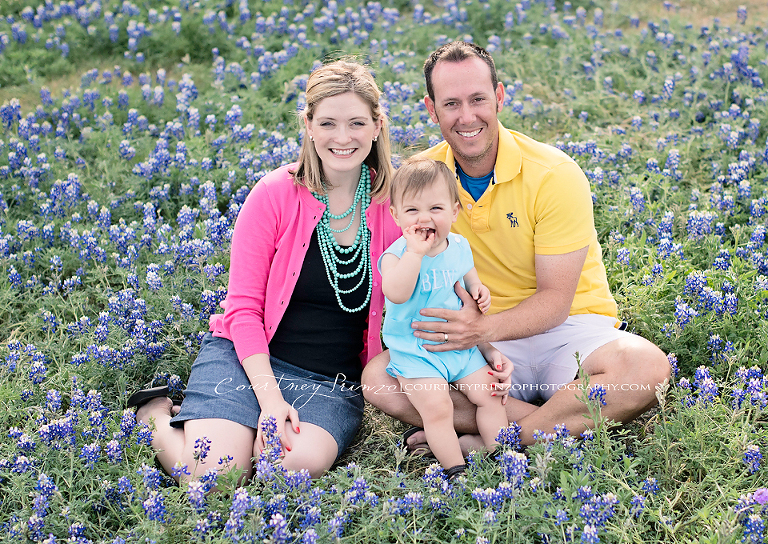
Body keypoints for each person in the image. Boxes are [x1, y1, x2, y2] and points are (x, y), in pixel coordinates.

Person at [361, 41, 671, 453]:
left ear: (500, 97)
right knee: (379, 380)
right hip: (480, 345)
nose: (467, 116)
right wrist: (473, 335)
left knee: (645, 367)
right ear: (431, 109)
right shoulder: (421, 183)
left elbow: (557, 301)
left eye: (478, 99)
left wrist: (481, 328)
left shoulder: (554, 174)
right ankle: (555, 421)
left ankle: (502, 441)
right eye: (451, 103)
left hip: (566, 329)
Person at [131, 60, 402, 481]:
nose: (343, 137)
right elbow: (241, 309)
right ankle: (154, 414)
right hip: (248, 359)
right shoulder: (274, 193)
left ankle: (228, 425)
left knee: (290, 469)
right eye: (328, 122)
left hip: (328, 381)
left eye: (356, 123)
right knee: (214, 477)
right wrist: (270, 401)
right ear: (308, 125)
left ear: (376, 125)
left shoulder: (397, 205)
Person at [380, 157, 509, 477]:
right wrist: (414, 253)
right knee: (439, 409)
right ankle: (456, 469)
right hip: (416, 353)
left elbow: (469, 278)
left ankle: (503, 458)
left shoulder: (460, 246)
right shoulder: (395, 257)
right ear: (395, 215)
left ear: (454, 211)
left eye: (435, 209)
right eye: (412, 211)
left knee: (492, 396)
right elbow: (395, 292)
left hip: (461, 349)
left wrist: (479, 290)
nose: (424, 218)